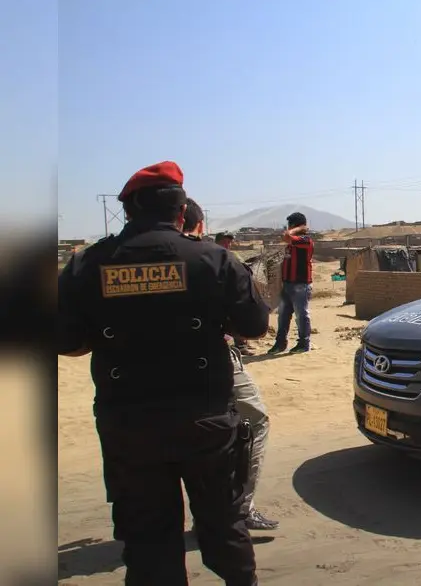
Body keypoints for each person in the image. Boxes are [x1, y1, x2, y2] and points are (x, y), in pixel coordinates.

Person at [57, 161, 270, 586]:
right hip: (206, 421)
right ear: (181, 211)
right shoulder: (214, 259)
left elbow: (67, 342)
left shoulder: (87, 264)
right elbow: (254, 327)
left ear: (128, 210)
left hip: (129, 425)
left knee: (148, 537)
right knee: (223, 522)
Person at [182, 201, 279, 531]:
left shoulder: (113, 259)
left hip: (141, 372)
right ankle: (240, 507)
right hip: (211, 361)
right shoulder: (213, 259)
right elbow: (254, 324)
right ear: (197, 224)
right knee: (254, 420)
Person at [267, 211, 314, 354]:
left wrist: (299, 228)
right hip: (287, 284)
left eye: (290, 225)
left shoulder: (305, 240)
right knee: (283, 315)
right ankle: (280, 343)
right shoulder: (292, 243)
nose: (288, 227)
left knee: (301, 315)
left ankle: (304, 343)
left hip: (300, 284)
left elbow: (286, 236)